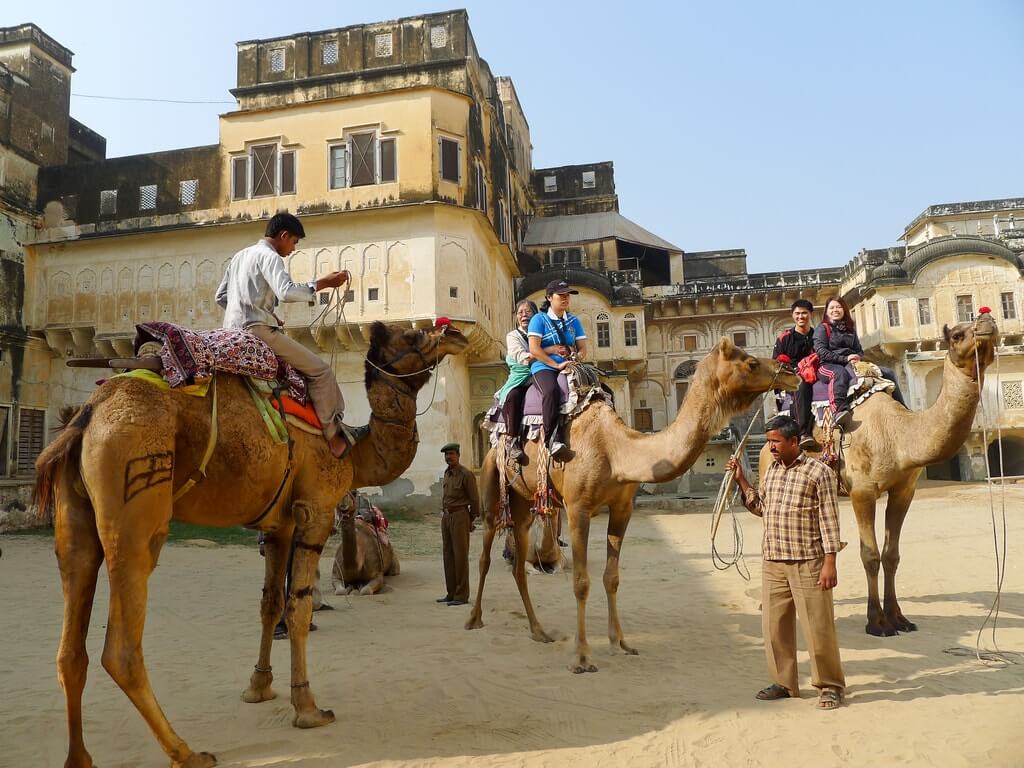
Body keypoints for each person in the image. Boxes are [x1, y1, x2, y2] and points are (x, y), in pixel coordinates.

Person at [216, 212, 365, 458]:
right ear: (283, 235)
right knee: (321, 371)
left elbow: (221, 297)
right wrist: (323, 283)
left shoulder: (240, 256)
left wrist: (261, 312)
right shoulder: (270, 257)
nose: (293, 248)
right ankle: (333, 436)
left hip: (231, 331)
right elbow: (285, 292)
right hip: (257, 332)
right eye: (294, 242)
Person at [725, 415, 846, 711]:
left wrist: (830, 563)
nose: (772, 447)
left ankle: (829, 685)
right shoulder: (772, 473)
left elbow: (830, 521)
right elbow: (762, 509)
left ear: (793, 441)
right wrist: (741, 480)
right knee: (774, 626)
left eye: (776, 441)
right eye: (769, 442)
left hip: (809, 560)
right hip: (774, 560)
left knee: (818, 627)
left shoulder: (819, 473)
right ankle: (784, 682)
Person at [813, 295, 906, 428]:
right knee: (839, 374)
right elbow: (821, 351)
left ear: (844, 309)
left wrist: (857, 357)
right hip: (828, 365)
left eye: (839, 307)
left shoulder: (850, 328)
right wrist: (845, 358)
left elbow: (859, 350)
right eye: (832, 307)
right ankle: (838, 411)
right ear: (827, 311)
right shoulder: (822, 329)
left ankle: (902, 408)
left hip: (851, 363)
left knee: (888, 372)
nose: (835, 310)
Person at [527, 279, 588, 459]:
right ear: (549, 297)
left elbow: (583, 348)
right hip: (543, 366)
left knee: (597, 390)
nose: (565, 298)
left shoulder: (574, 321)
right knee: (551, 391)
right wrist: (555, 364)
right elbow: (534, 349)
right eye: (561, 295)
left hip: (569, 365)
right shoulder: (539, 319)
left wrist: (578, 357)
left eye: (567, 295)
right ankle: (551, 440)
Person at [494, 300, 539, 462]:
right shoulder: (513, 336)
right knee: (513, 396)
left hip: (542, 371)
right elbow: (522, 358)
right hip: (522, 377)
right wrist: (547, 353)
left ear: (536, 315)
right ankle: (512, 439)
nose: (524, 315)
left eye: (528, 312)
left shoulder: (542, 333)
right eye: (520, 312)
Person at [773, 299, 819, 450]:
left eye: (804, 313)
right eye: (797, 313)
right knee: (801, 386)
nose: (801, 317)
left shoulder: (818, 336)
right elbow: (777, 364)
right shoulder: (784, 338)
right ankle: (803, 432)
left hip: (817, 373)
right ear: (792, 315)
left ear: (810, 314)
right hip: (794, 378)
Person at [438, 443, 479, 606]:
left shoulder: (466, 474)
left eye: (452, 454)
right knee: (448, 556)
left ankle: (461, 595)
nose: (449, 457)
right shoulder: (447, 473)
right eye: (446, 454)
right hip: (447, 517)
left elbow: (475, 499)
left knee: (460, 556)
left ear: (458, 455)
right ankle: (451, 592)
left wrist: (471, 518)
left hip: (460, 516)